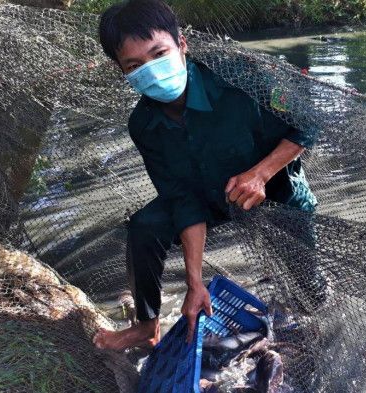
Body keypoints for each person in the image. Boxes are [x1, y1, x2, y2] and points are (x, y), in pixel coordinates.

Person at [92, 0, 321, 351]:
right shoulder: (143, 124)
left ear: (181, 44)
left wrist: (260, 174)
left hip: (277, 193)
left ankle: (314, 310)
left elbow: (308, 123)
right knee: (144, 226)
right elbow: (181, 198)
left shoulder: (239, 76)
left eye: (159, 54)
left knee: (311, 295)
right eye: (135, 65)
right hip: (209, 197)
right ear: (120, 70)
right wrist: (194, 282)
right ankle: (146, 326)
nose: (151, 70)